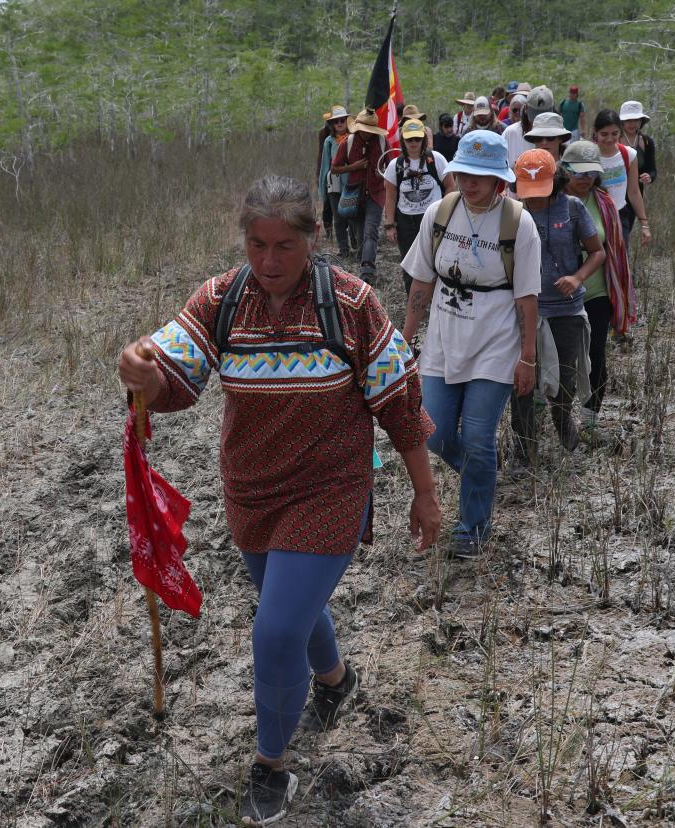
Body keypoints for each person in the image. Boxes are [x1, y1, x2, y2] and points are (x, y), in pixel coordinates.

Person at [118, 175, 439, 826]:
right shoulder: (221, 299)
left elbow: (399, 408)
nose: (268, 262)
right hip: (251, 490)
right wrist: (144, 373)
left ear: (312, 240)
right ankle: (335, 681)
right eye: (257, 244)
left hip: (330, 488)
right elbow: (175, 375)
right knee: (290, 606)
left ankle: (270, 765)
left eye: (284, 247)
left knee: (277, 629)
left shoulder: (351, 305)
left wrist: (424, 496)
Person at [400, 130, 541, 559]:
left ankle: (472, 528)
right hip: (445, 335)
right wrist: (403, 341)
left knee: (479, 437)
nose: (470, 183)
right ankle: (481, 474)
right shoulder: (438, 214)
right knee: (436, 431)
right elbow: (422, 281)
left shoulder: (518, 223)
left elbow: (527, 297)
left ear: (500, 179)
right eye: (464, 174)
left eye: (481, 176)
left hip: (496, 340)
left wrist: (527, 358)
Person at [507, 149, 605, 467]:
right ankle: (524, 452)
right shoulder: (511, 212)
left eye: (541, 191)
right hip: (524, 312)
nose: (534, 199)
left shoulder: (573, 208)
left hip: (566, 311)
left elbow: (597, 252)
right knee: (522, 385)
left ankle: (566, 434)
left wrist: (577, 277)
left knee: (563, 384)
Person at [559, 140, 636, 435]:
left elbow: (613, 249)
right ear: (564, 170)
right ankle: (558, 418)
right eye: (579, 174)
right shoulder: (549, 201)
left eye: (591, 174)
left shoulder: (603, 202)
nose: (585, 180)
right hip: (557, 295)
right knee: (558, 359)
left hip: (597, 291)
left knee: (595, 356)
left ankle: (590, 420)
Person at [384, 118, 453, 295]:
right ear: (403, 140)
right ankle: (413, 300)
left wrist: (447, 214)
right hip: (406, 220)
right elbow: (390, 197)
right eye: (409, 139)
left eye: (417, 139)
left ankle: (437, 299)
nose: (413, 143)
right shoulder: (395, 166)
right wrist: (390, 225)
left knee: (437, 259)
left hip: (434, 218)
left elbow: (450, 187)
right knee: (409, 262)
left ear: (423, 139)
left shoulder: (436, 159)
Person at [332, 109, 388, 284]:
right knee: (360, 234)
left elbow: (391, 167)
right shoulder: (347, 143)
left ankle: (367, 273)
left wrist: (383, 174)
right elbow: (334, 168)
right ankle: (362, 263)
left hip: (376, 194)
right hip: (354, 195)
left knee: (371, 232)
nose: (366, 133)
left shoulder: (382, 142)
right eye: (363, 129)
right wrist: (353, 166)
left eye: (369, 130)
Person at [592, 109, 652, 247]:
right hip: (593, 217)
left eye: (614, 134)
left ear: (620, 131)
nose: (609, 139)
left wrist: (644, 224)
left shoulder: (629, 154)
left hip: (619, 216)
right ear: (595, 132)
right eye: (604, 134)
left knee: (620, 263)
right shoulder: (588, 154)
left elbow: (634, 191)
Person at [619, 100, 657, 246]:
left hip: (634, 195)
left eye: (636, 119)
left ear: (641, 121)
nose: (632, 123)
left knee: (625, 234)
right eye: (628, 119)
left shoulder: (646, 142)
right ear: (621, 121)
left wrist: (649, 177)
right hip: (613, 192)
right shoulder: (613, 139)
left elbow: (652, 169)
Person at [318, 106, 352, 257]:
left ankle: (356, 245)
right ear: (331, 124)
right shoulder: (328, 141)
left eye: (342, 120)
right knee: (338, 217)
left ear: (346, 121)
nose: (339, 123)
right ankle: (343, 249)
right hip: (334, 182)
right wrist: (322, 188)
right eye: (336, 121)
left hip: (351, 181)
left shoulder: (354, 137)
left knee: (352, 215)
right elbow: (325, 165)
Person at [504, 84, 555, 168]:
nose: (538, 121)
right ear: (526, 109)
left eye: (544, 116)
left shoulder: (560, 135)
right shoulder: (511, 133)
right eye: (535, 115)